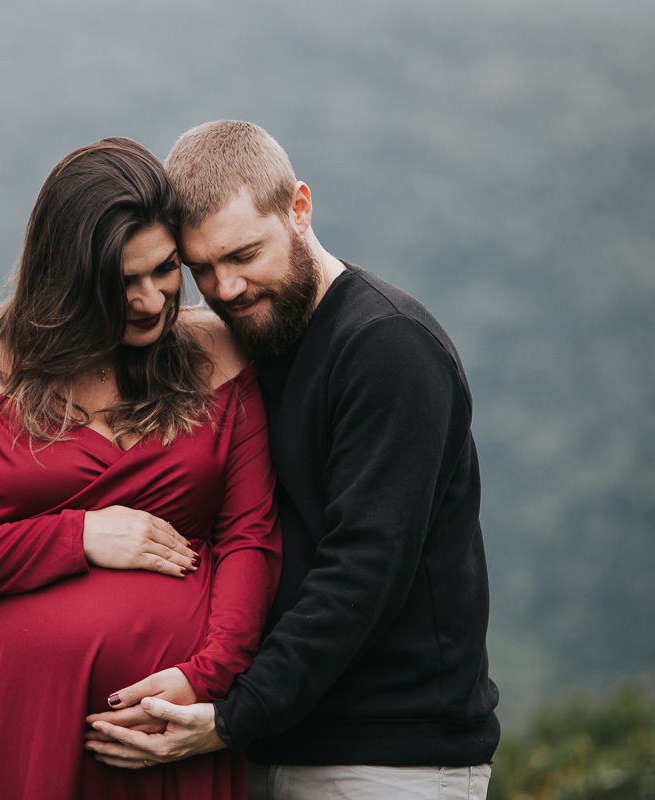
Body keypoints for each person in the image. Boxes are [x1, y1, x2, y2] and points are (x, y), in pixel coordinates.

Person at [85, 121, 499, 799]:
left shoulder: (388, 347)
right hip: (255, 745)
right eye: (202, 269)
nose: (227, 287)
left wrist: (232, 716)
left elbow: (363, 569)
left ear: (300, 208)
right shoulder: (246, 344)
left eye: (244, 254)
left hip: (385, 761)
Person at [0, 136, 281, 800]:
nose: (153, 300)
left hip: (163, 727)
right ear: (65, 277)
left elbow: (251, 535)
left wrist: (206, 677)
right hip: (10, 721)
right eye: (122, 282)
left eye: (164, 270)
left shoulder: (219, 354)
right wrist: (79, 536)